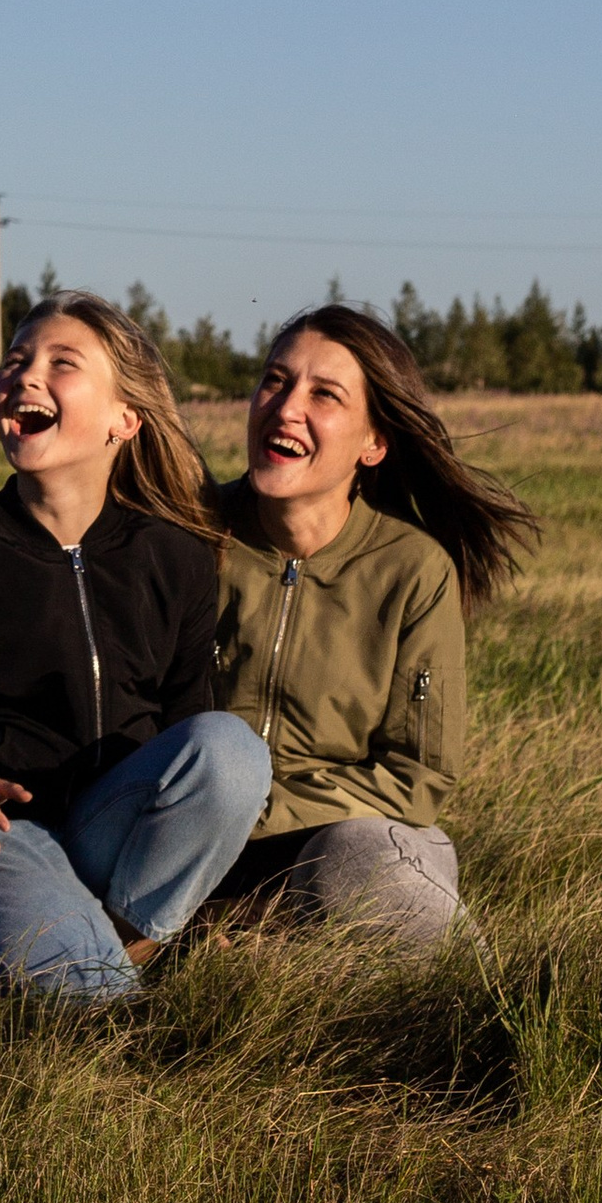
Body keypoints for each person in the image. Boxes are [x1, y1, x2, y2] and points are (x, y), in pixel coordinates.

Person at [0, 296, 273, 1000]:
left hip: (104, 828)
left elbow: (185, 737)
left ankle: (106, 942)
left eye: (61, 363)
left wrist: (192, 889)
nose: (24, 375)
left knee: (232, 750)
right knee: (91, 999)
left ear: (125, 419)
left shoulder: (174, 559)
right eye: (16, 360)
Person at [203, 305, 533, 951]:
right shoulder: (190, 535)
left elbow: (417, 777)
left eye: (324, 394)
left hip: (341, 837)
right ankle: (242, 933)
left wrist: (261, 816)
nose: (286, 408)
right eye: (275, 381)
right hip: (186, 840)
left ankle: (487, 1000)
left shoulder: (412, 569)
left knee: (367, 861)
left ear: (373, 443)